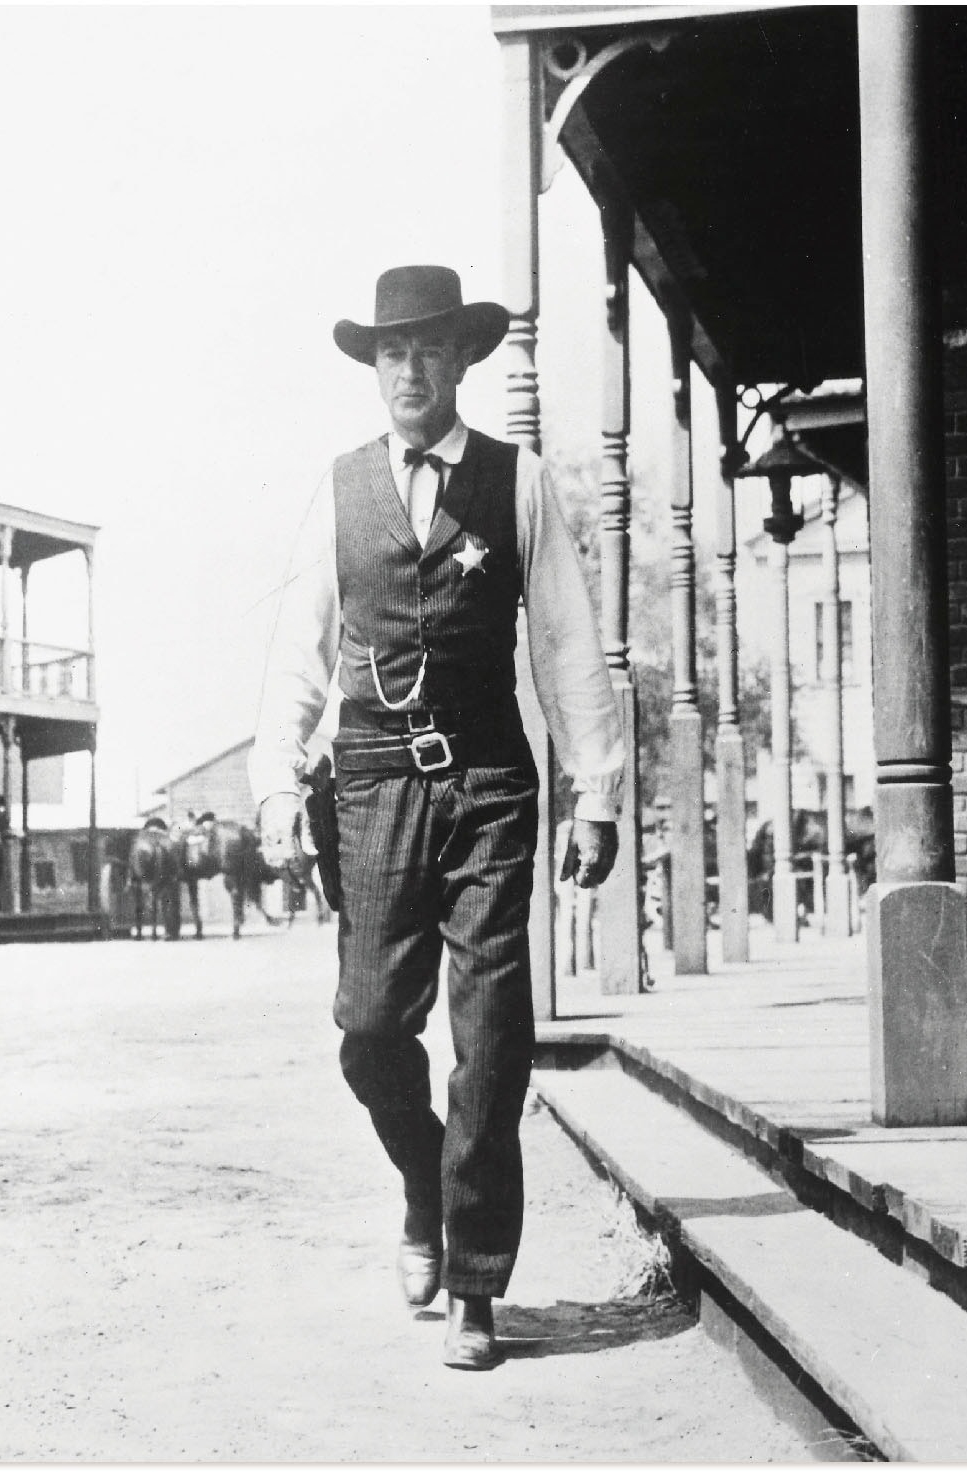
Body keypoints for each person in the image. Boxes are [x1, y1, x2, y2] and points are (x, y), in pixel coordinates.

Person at [252, 265, 622, 1370]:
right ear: (373, 368)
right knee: (368, 1027)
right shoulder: (338, 489)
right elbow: (298, 649)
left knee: (492, 1036)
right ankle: (423, 1180)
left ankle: (473, 1278)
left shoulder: (518, 482)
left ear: (462, 361)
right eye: (390, 352)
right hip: (369, 781)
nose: (408, 370)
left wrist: (594, 788)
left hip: (491, 782)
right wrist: (277, 781)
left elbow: (563, 640)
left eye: (427, 350)